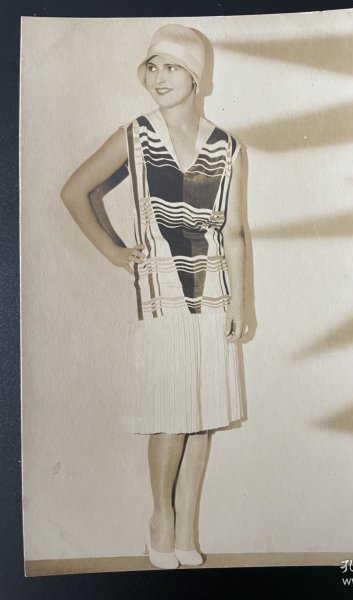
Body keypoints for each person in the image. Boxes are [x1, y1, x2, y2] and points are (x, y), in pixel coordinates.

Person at [61, 24, 247, 570]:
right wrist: (114, 251)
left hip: (214, 294)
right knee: (172, 412)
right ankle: (161, 519)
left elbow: (235, 232)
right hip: (161, 294)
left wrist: (241, 302)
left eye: (172, 67)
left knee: (203, 415)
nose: (159, 77)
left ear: (196, 76)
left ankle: (187, 529)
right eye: (153, 67)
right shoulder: (135, 135)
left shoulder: (228, 146)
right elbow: (75, 191)